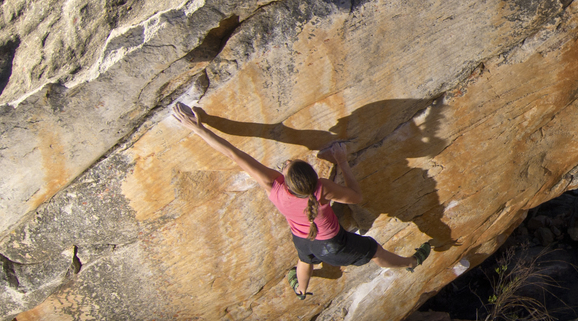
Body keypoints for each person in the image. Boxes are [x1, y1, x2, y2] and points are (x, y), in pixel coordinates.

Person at [171, 102, 415, 299]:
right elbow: (357, 197)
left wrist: (197, 129)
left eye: (286, 166)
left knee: (304, 260)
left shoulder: (273, 186)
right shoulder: (322, 188)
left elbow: (234, 154)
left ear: (286, 180)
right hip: (332, 246)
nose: (285, 164)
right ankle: (410, 262)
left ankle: (301, 290)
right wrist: (341, 160)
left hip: (303, 240)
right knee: (373, 250)